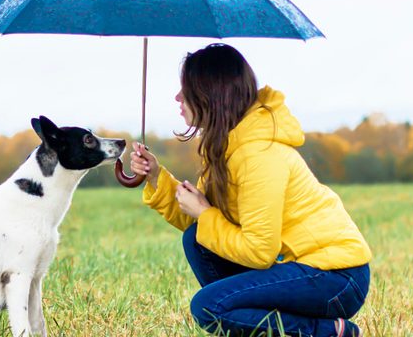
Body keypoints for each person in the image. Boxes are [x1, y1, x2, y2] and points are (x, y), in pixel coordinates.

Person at [129, 43, 372, 337]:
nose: (178, 97)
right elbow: (204, 225)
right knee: (196, 240)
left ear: (210, 95)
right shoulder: (227, 146)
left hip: (335, 276)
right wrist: (156, 176)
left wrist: (205, 214)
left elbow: (258, 251)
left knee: (209, 307)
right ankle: (253, 326)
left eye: (186, 90)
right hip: (297, 267)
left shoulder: (259, 155)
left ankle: (331, 332)